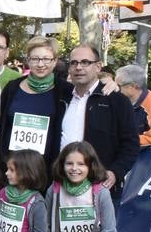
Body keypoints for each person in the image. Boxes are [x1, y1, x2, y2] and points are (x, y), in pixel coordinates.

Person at [55, 44, 140, 191]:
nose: (78, 67)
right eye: (74, 63)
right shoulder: (61, 97)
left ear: (98, 66)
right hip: (63, 184)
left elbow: (131, 144)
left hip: (101, 186)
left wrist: (115, 172)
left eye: (85, 62)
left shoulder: (116, 101)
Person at [0, 37, 60, 168]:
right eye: (35, 59)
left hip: (45, 169)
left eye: (46, 59)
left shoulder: (65, 91)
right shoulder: (12, 88)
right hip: (10, 167)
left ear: (55, 61)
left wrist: (109, 84)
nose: (40, 64)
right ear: (28, 60)